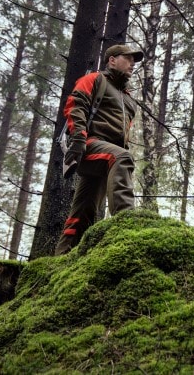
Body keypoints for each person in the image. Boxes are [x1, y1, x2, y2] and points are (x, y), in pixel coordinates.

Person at [55, 44, 144, 255]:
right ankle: (126, 223)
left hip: (108, 156)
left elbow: (123, 134)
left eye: (134, 60)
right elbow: (75, 106)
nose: (132, 63)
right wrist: (78, 140)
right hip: (89, 145)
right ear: (112, 60)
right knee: (123, 157)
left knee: (83, 212)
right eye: (128, 58)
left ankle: (60, 262)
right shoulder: (94, 79)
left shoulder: (130, 100)